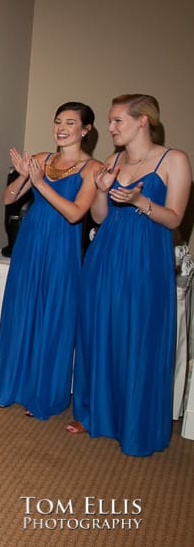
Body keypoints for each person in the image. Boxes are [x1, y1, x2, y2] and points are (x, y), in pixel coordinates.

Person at [70, 94, 190, 456]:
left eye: (117, 120)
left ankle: (133, 421)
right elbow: (101, 217)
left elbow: (175, 219)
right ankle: (95, 412)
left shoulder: (174, 160)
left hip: (145, 261)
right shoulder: (113, 160)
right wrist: (102, 192)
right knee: (99, 332)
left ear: (143, 121)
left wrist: (140, 201)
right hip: (104, 257)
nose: (110, 127)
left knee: (138, 336)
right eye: (110, 121)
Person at [0, 102, 97, 419]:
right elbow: (8, 198)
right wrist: (24, 176)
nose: (61, 128)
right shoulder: (41, 159)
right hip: (30, 243)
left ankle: (43, 394)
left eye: (70, 123)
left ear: (85, 130)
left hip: (62, 247)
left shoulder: (93, 169)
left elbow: (75, 214)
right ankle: (11, 386)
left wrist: (39, 183)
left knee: (53, 316)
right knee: (22, 310)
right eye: (58, 121)